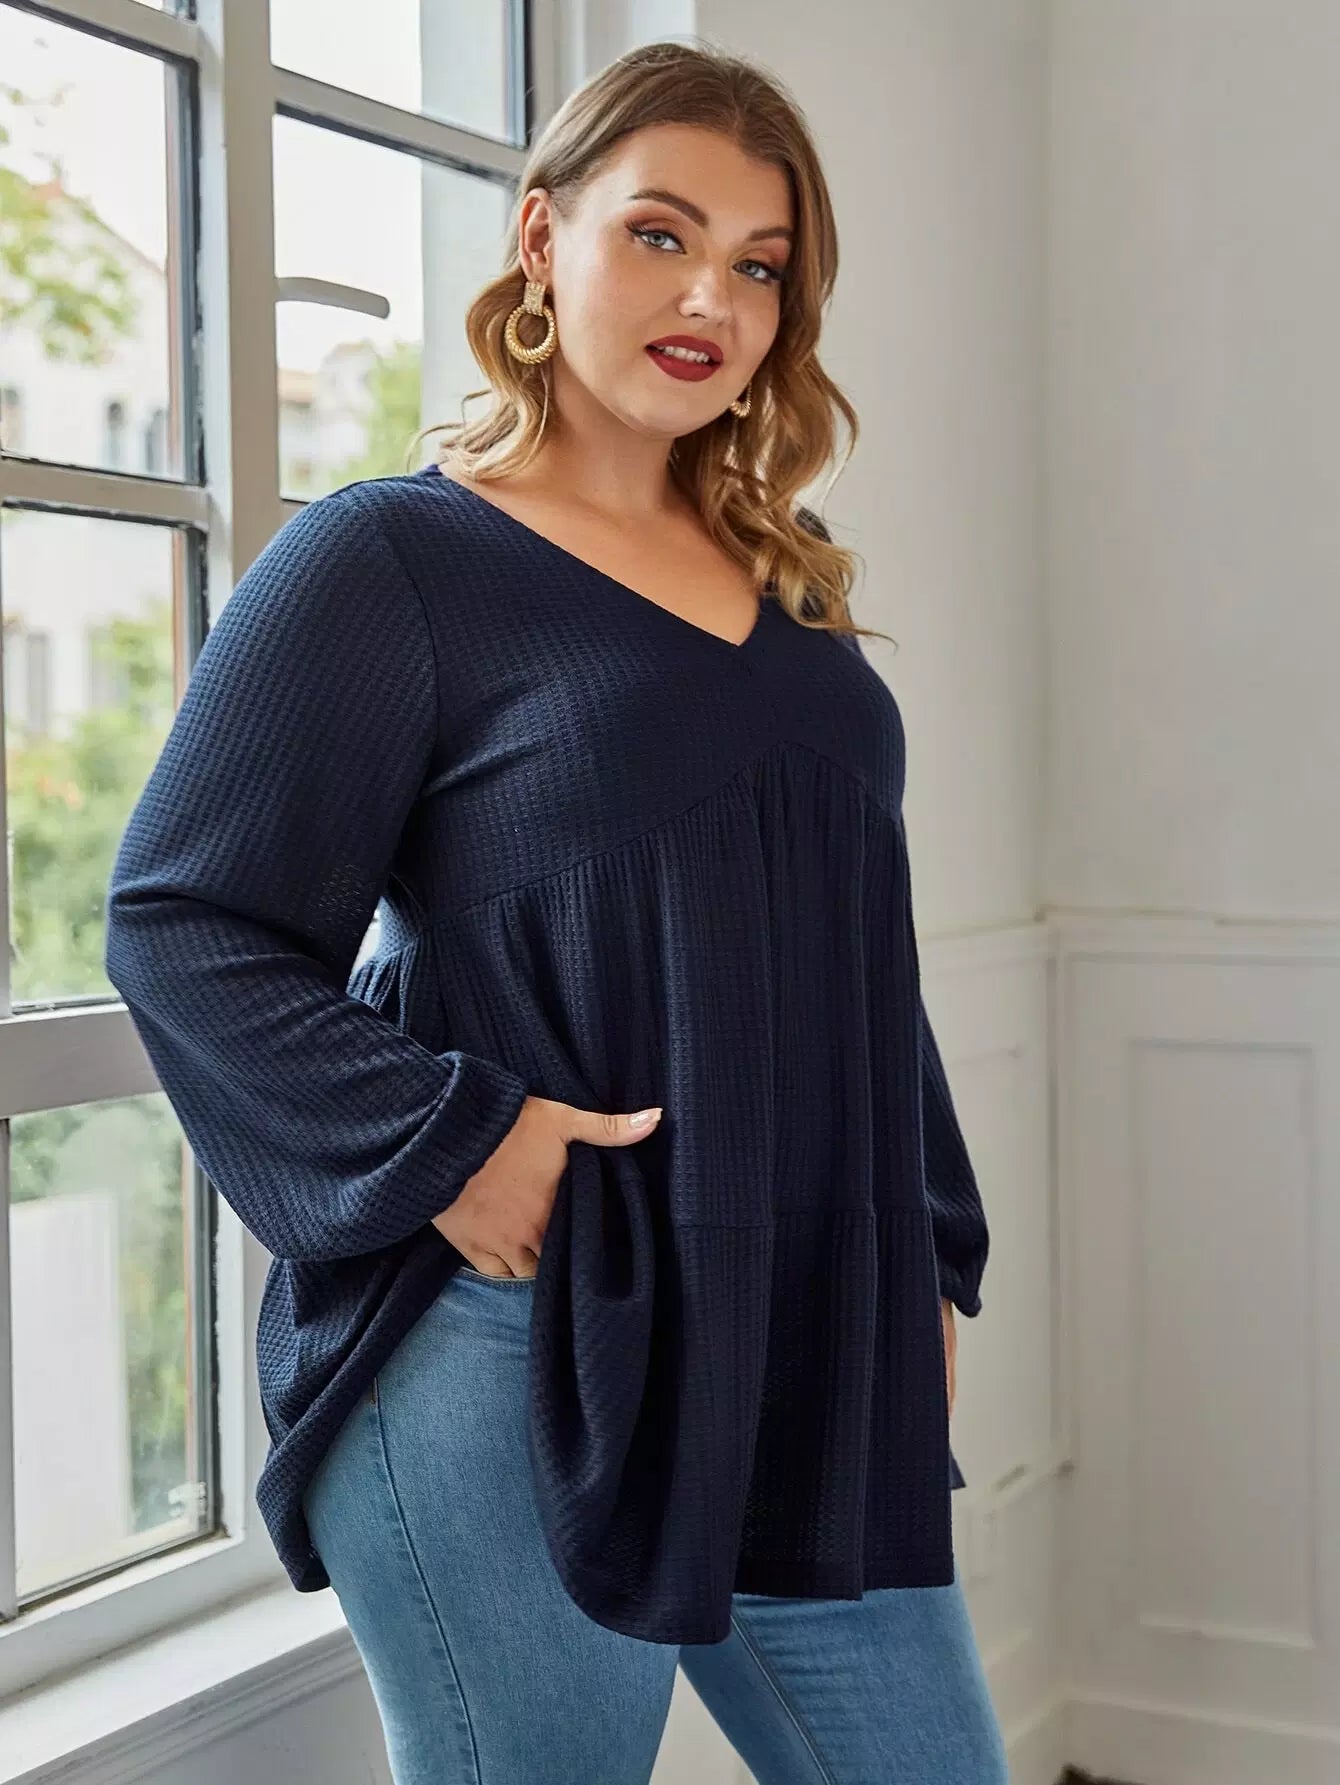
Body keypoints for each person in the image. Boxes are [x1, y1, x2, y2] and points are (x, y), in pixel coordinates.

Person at [103, 37, 1006, 1785]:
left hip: (802, 1347)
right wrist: (466, 1147)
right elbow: (181, 919)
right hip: (517, 1337)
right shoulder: (390, 558)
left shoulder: (786, 578)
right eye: (660, 235)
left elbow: (849, 954)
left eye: (759, 264)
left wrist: (917, 1255)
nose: (712, 299)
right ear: (539, 239)